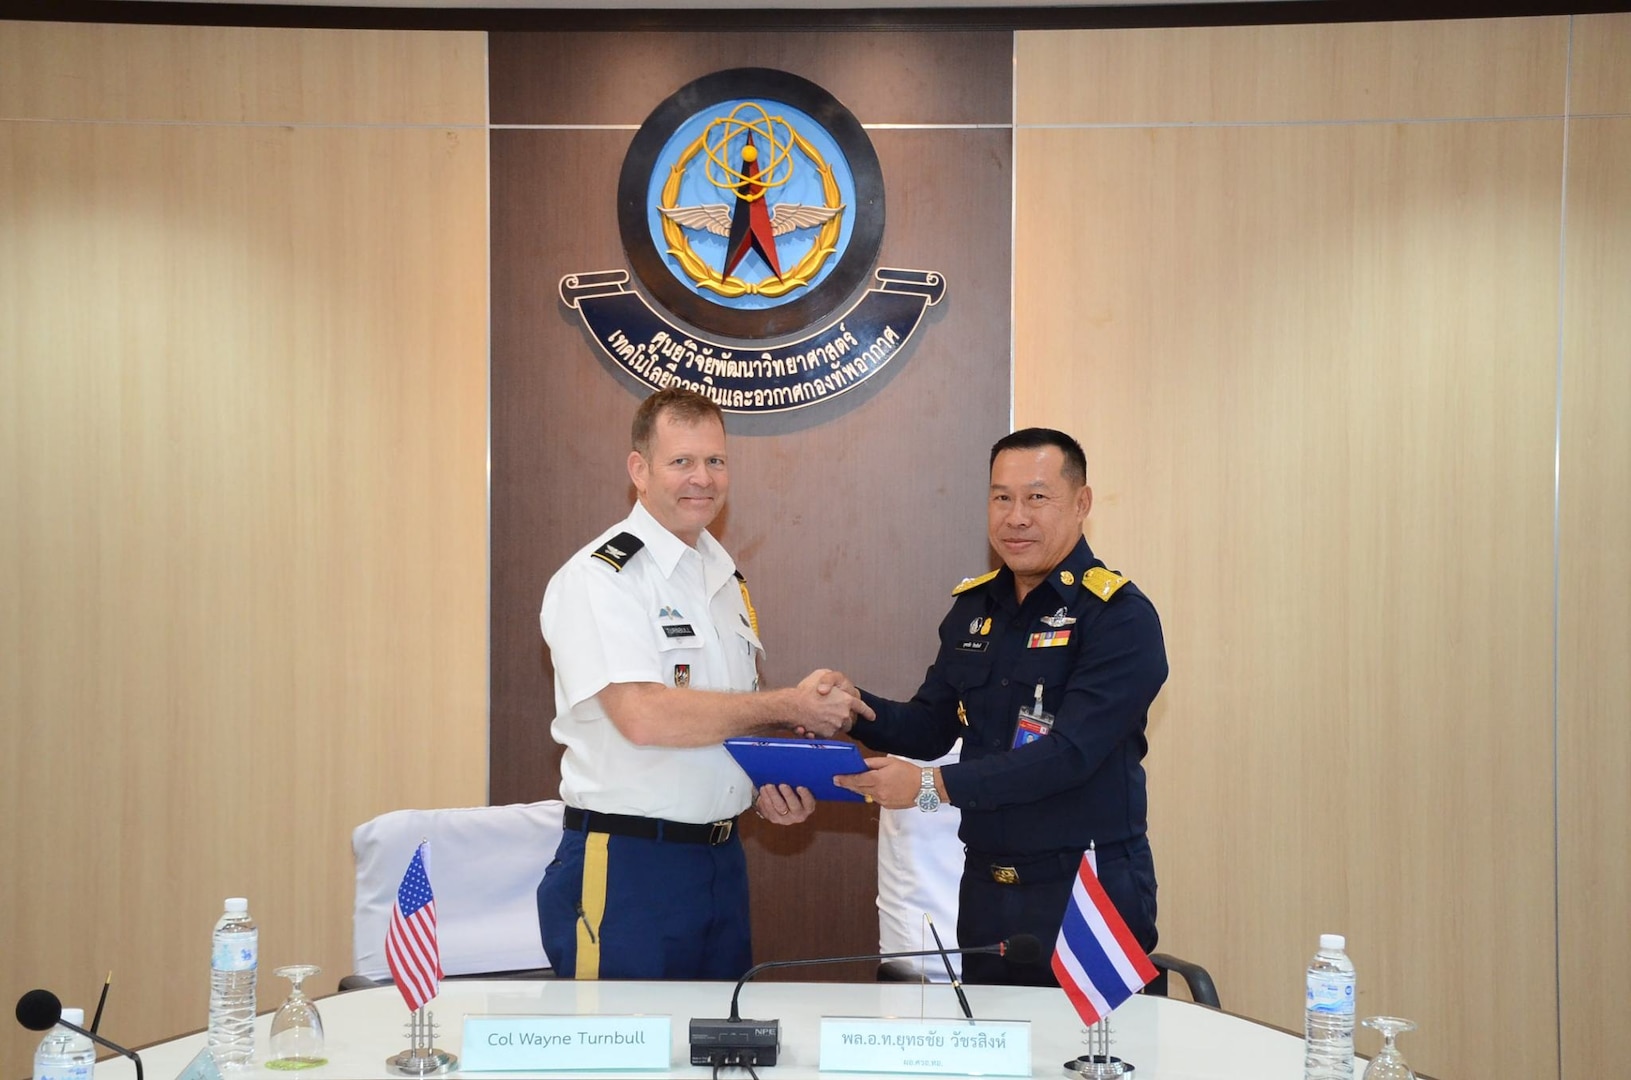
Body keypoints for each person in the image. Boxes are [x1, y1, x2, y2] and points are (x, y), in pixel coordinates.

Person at [536, 387, 869, 981]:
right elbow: (645, 717)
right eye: (681, 461)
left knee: (713, 1059)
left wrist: (767, 783)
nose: (703, 479)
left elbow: (727, 717)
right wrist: (788, 701)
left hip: (720, 862)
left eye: (715, 460)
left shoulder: (722, 574)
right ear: (639, 470)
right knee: (621, 1062)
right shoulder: (601, 578)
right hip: (627, 867)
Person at [830, 427, 1167, 985]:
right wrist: (854, 707)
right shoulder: (974, 609)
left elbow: (1070, 754)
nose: (1016, 516)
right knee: (996, 1055)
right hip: (987, 889)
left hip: (1086, 887)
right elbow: (931, 727)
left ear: (1081, 503)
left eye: (1037, 497)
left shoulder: (1118, 617)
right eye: (1001, 497)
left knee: (1092, 1064)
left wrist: (931, 788)